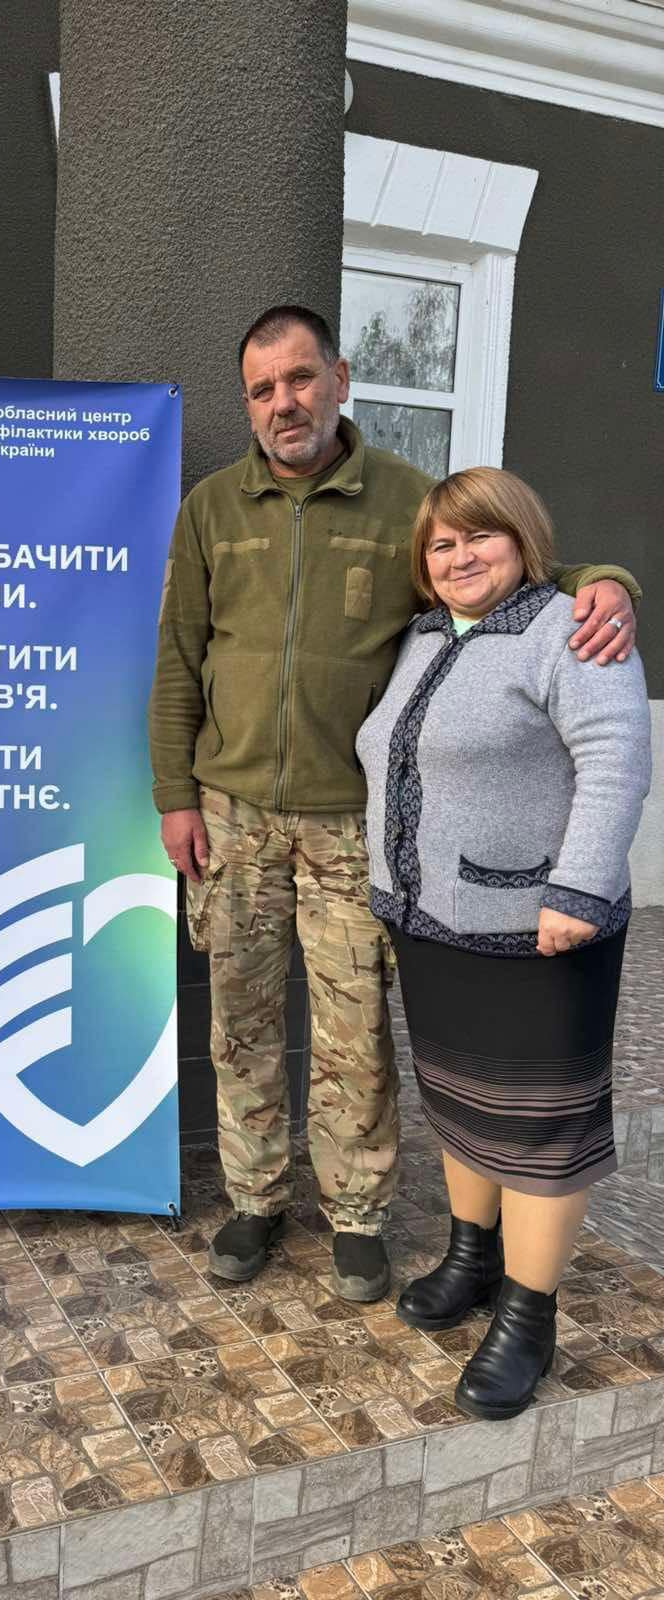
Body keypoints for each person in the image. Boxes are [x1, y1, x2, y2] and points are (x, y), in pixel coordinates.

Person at [148, 303, 640, 1303]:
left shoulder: (407, 501)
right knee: (240, 1019)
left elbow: (516, 567)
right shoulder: (211, 507)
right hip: (232, 810)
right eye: (261, 389)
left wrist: (608, 580)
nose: (283, 402)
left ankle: (358, 1214)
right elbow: (178, 655)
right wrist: (174, 796)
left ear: (339, 379)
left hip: (351, 821)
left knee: (354, 1028)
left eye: (300, 378)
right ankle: (255, 1199)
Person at [355, 467, 650, 1418]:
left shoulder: (573, 630)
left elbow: (615, 760)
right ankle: (472, 1258)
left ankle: (529, 1315)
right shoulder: (422, 636)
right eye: (441, 544)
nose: (459, 557)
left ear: (523, 539)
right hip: (434, 923)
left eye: (479, 536)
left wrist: (579, 888)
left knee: (540, 1131)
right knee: (460, 1102)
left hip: (538, 928)